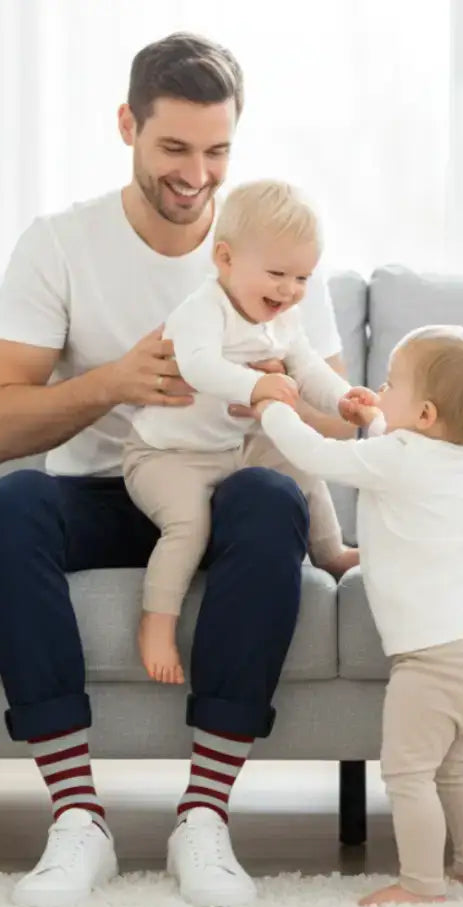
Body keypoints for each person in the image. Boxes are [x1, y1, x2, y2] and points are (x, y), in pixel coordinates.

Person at [0, 32, 352, 907]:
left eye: (217, 151)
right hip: (114, 489)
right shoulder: (60, 243)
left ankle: (204, 816)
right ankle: (77, 819)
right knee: (10, 505)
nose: (196, 175)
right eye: (174, 148)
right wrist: (115, 382)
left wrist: (361, 411)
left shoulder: (271, 248)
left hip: (229, 490)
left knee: (267, 494)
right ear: (127, 128)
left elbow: (318, 405)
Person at [253, 324, 463, 906]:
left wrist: (272, 406)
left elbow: (314, 454)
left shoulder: (397, 458)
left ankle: (422, 884)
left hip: (433, 665)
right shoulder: (457, 457)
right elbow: (394, 444)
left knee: (407, 776)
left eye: (392, 383)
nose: (380, 386)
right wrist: (376, 413)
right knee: (455, 769)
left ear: (424, 414)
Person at [124, 178, 360, 684]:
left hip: (234, 446)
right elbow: (200, 368)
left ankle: (331, 551)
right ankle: (157, 623)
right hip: (167, 454)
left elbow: (308, 368)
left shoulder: (284, 318)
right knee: (188, 525)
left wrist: (343, 398)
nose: (289, 290)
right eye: (277, 273)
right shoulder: (201, 311)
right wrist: (259, 385)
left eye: (302, 277)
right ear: (225, 259)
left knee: (302, 461)